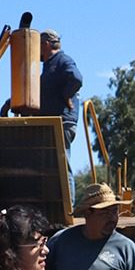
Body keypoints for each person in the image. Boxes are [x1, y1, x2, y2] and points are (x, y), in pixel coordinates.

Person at [38, 31, 83, 203]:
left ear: (46, 44)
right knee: (53, 167)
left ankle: (68, 207)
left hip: (62, 122)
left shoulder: (62, 61)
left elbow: (76, 78)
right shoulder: (49, 65)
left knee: (62, 165)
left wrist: (66, 96)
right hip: (53, 121)